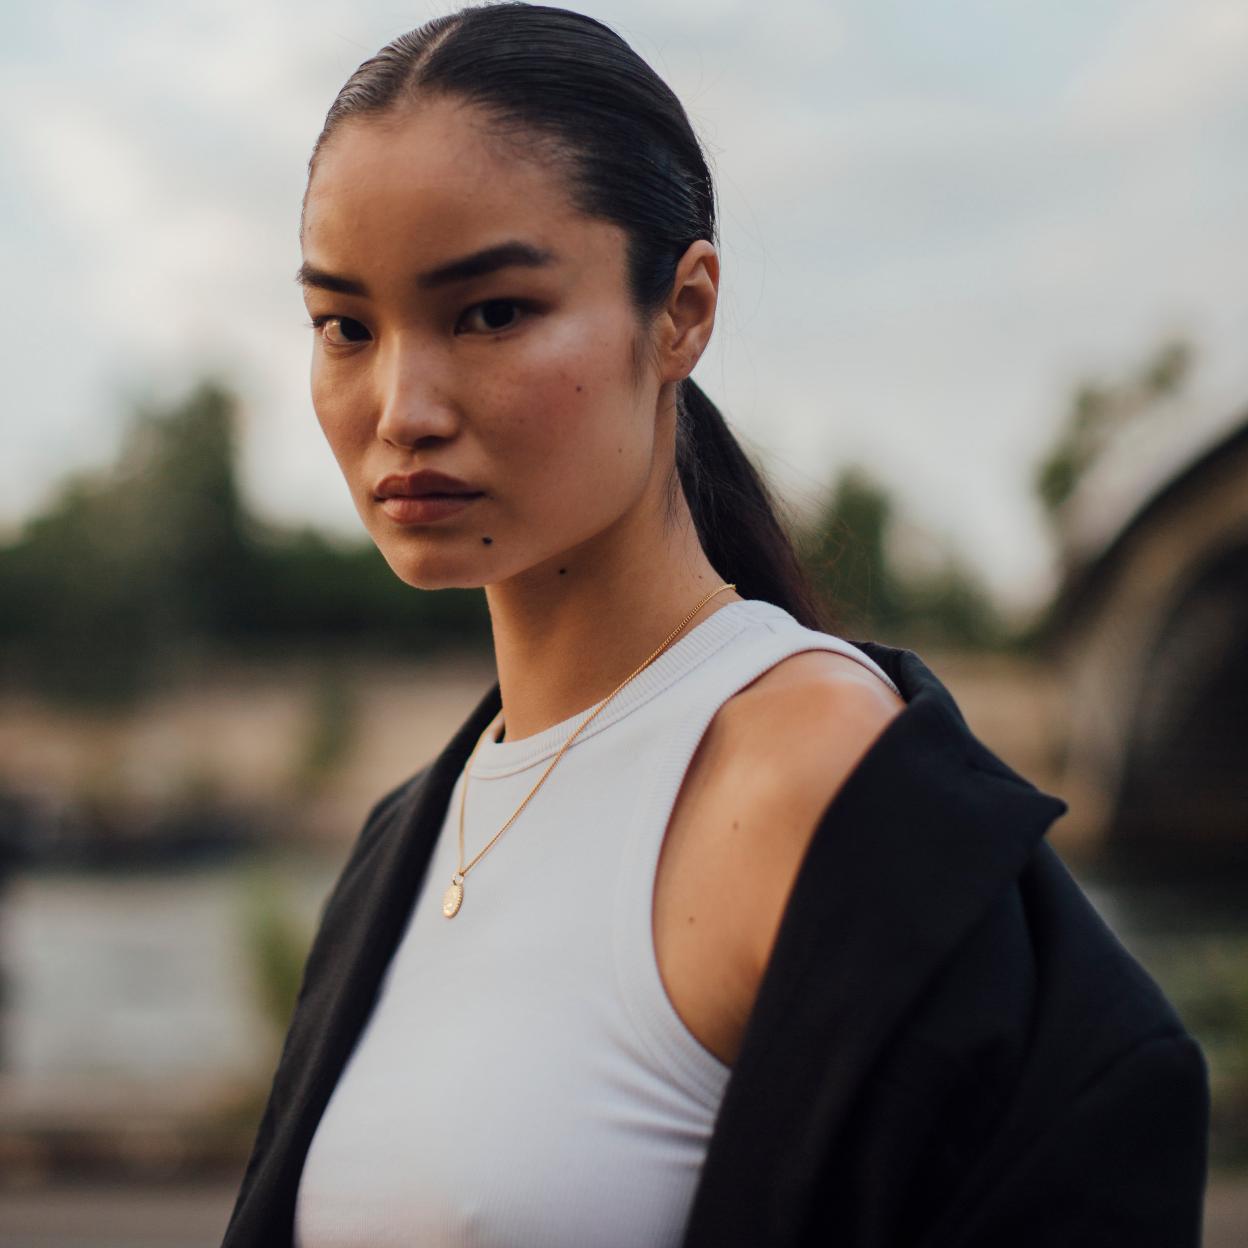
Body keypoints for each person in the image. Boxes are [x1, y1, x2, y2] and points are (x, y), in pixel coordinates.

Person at [222, 5, 1210, 1246]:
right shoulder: (408, 835)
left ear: (682, 311)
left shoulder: (819, 780)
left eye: (491, 313)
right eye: (345, 327)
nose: (401, 406)